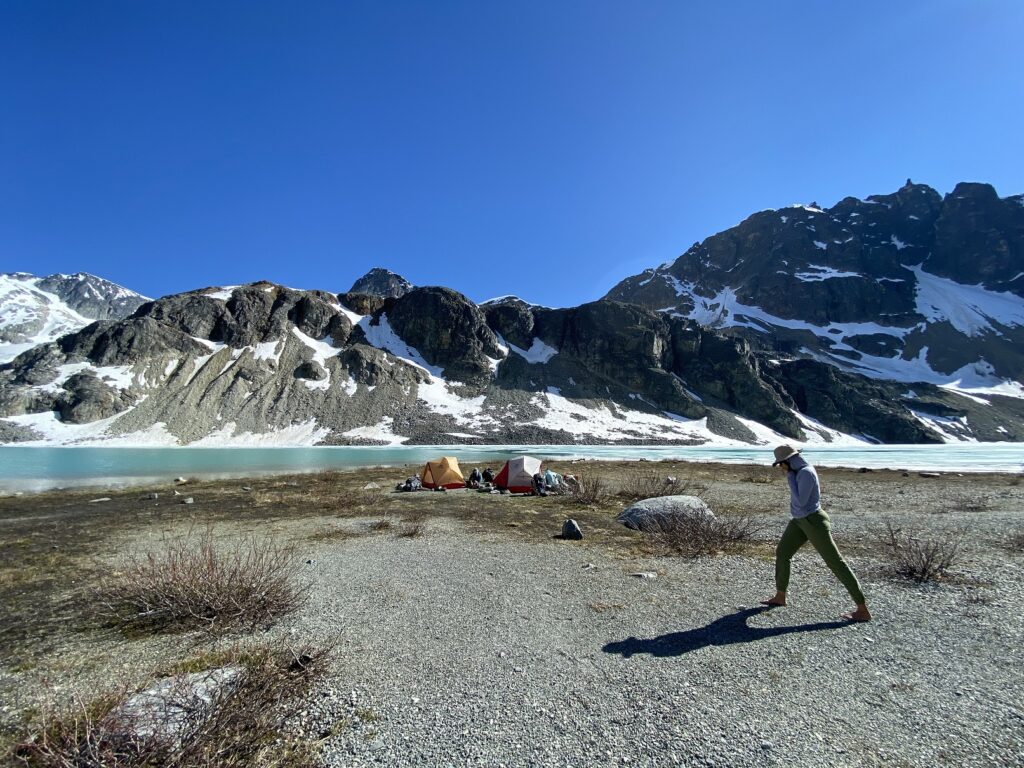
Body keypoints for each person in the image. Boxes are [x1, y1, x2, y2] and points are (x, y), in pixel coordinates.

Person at [763, 445, 871, 622]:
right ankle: (780, 596)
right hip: (799, 521)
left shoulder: (805, 473)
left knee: (835, 562)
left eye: (781, 464)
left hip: (813, 521)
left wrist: (790, 478)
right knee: (783, 552)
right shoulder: (799, 472)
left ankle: (862, 609)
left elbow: (802, 501)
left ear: (788, 461)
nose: (781, 469)